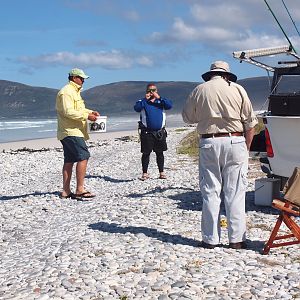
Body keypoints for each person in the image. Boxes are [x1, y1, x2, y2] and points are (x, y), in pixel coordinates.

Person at [182, 61, 258, 249]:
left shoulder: (199, 90)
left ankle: (210, 239)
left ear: (210, 74)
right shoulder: (238, 89)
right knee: (235, 192)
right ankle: (237, 240)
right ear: (226, 75)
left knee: (210, 190)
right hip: (235, 140)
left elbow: (187, 117)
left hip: (209, 141)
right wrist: (246, 147)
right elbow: (250, 123)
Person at [56, 68, 100, 200]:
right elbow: (68, 112)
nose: (83, 81)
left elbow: (78, 109)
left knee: (69, 160)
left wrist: (91, 111)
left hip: (72, 131)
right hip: (70, 131)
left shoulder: (74, 91)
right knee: (83, 156)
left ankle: (66, 191)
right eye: (81, 78)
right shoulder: (66, 92)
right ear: (74, 77)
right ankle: (79, 189)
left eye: (84, 79)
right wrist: (87, 115)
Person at [134, 83, 172, 180]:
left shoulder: (161, 101)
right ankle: (145, 173)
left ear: (157, 91)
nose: (151, 92)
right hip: (147, 132)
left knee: (160, 153)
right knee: (146, 153)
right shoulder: (142, 102)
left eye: (153, 90)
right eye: (149, 90)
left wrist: (159, 97)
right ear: (146, 91)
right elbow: (136, 108)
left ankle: (161, 172)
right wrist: (145, 99)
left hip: (160, 132)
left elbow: (169, 105)